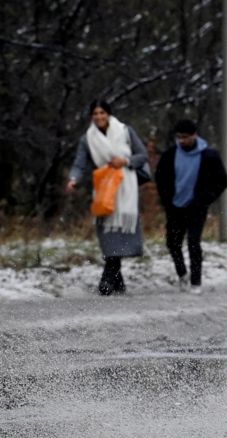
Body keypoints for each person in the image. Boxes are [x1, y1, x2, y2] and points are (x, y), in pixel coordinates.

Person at [66, 100, 148, 296]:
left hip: (125, 188)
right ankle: (116, 280)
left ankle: (107, 279)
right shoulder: (88, 139)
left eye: (102, 113)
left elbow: (142, 155)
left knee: (120, 233)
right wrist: (73, 179)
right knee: (107, 233)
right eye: (95, 113)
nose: (99, 117)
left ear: (109, 114)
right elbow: (80, 163)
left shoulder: (125, 131)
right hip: (104, 187)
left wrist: (126, 161)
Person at [155, 119, 227, 294]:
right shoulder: (170, 155)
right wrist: (166, 200)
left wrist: (204, 200)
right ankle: (182, 274)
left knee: (194, 242)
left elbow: (221, 182)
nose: (182, 141)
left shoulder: (209, 156)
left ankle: (196, 281)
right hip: (175, 206)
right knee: (173, 243)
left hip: (196, 207)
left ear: (195, 135)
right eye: (179, 137)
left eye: (185, 137)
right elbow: (160, 178)